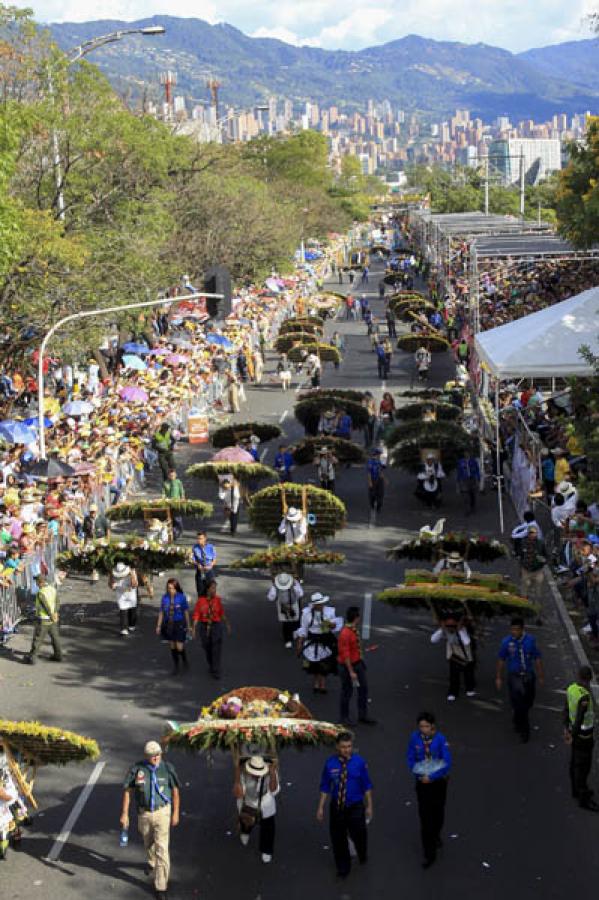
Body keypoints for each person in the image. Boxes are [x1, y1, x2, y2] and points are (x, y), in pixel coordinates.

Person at [120, 740, 180, 900]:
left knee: (162, 848)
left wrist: (175, 813)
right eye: (153, 756)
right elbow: (127, 791)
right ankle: (151, 860)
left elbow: (175, 791)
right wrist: (125, 813)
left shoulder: (167, 769)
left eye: (158, 755)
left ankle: (161, 886)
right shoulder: (137, 769)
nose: (156, 758)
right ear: (146, 756)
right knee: (148, 842)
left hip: (162, 812)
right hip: (144, 814)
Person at [317, 731, 373, 880]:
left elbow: (366, 785)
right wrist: (321, 807)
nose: (346, 750)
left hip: (355, 806)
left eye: (349, 746)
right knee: (338, 838)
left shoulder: (359, 763)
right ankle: (343, 867)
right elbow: (325, 787)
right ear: (337, 747)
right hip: (337, 806)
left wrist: (369, 806)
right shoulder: (330, 764)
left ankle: (362, 852)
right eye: (343, 747)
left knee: (359, 833)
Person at [407, 711, 452, 869]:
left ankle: (436, 834)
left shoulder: (440, 740)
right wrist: (419, 773)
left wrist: (432, 776)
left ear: (432, 726)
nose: (423, 729)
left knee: (438, 812)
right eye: (421, 726)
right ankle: (429, 853)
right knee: (425, 818)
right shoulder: (415, 738)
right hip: (422, 782)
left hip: (438, 782)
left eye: (426, 726)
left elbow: (446, 763)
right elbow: (411, 759)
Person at [496, 616, 544, 742]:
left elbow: (537, 658)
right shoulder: (506, 642)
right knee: (519, 702)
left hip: (528, 675)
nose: (514, 632)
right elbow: (501, 659)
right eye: (512, 629)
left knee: (528, 702)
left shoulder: (530, 641)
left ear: (522, 629)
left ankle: (518, 718)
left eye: (517, 629)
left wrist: (540, 676)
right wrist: (498, 677)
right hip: (514, 676)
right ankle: (525, 730)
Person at [563, 665, 598, 810]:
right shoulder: (584, 696)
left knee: (574, 764)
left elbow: (566, 710)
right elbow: (579, 719)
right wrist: (572, 734)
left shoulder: (571, 689)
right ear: (588, 679)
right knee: (583, 767)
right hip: (583, 737)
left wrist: (566, 729)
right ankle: (583, 798)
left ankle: (575, 791)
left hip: (573, 733)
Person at [295, 592, 342, 693]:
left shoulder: (329, 612)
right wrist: (299, 644)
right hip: (312, 640)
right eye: (319, 604)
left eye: (322, 603)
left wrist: (331, 625)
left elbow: (334, 627)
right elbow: (303, 629)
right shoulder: (306, 614)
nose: (321, 606)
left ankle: (323, 684)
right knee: (314, 664)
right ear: (314, 605)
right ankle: (316, 683)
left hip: (326, 640)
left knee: (325, 664)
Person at [236, 756, 280, 863]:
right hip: (249, 802)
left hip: (266, 803)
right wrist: (237, 777)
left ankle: (266, 850)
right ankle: (245, 831)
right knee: (246, 821)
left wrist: (273, 773)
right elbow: (239, 794)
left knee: (268, 828)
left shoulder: (270, 772)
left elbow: (274, 791)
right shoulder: (243, 773)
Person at [338, 606, 376, 726]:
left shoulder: (352, 629)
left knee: (363, 689)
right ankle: (344, 717)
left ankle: (362, 715)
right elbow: (345, 655)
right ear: (356, 618)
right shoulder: (345, 633)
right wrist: (351, 672)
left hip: (358, 663)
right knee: (347, 692)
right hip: (348, 666)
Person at [192, 580, 231, 679]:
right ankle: (211, 664)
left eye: (215, 588)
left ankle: (216, 669)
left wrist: (227, 624)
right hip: (204, 626)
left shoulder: (217, 600)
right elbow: (197, 615)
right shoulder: (201, 601)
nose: (214, 590)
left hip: (216, 625)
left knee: (216, 647)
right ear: (207, 589)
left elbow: (221, 612)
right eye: (213, 588)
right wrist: (193, 628)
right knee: (207, 647)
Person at [431, 615, 475, 701]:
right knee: (454, 675)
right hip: (454, 655)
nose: (450, 628)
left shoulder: (462, 630)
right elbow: (433, 640)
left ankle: (469, 688)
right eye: (448, 626)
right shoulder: (445, 630)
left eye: (453, 626)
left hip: (465, 655)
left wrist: (459, 630)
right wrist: (442, 629)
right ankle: (453, 692)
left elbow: (467, 642)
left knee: (468, 673)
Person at [155, 578, 191, 675]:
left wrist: (189, 626)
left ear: (176, 588)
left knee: (179, 647)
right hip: (168, 624)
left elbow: (186, 612)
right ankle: (176, 665)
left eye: (172, 588)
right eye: (168, 588)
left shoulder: (181, 597)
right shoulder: (164, 598)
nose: (170, 590)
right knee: (172, 645)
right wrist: (158, 626)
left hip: (179, 623)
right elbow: (161, 612)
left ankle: (184, 658)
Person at [25, 574, 62, 664]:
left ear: (39, 582)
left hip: (43, 620)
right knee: (55, 638)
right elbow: (57, 601)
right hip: (53, 619)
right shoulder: (53, 589)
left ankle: (32, 658)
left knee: (37, 639)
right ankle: (58, 656)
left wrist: (50, 614)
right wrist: (55, 613)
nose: (36, 583)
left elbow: (45, 606)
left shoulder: (41, 592)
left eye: (36, 581)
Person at [267, 571, 304, 648]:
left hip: (288, 604)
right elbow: (270, 598)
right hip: (287, 605)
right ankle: (288, 638)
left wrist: (294, 588)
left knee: (292, 621)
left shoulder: (293, 583)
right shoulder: (277, 585)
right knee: (289, 622)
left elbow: (301, 594)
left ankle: (291, 635)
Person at [516, 525, 547, 609]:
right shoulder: (523, 542)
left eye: (535, 533)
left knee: (538, 591)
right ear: (528, 534)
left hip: (537, 570)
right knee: (524, 588)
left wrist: (543, 561)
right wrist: (520, 568)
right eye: (531, 533)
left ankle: (537, 608)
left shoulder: (541, 543)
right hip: (526, 569)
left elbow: (546, 556)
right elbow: (520, 555)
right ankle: (523, 606)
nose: (533, 534)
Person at [109, 561, 139, 636]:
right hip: (120, 594)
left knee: (132, 610)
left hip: (131, 594)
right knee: (123, 610)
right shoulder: (113, 573)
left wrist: (132, 575)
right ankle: (123, 629)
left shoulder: (132, 572)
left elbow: (134, 585)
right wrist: (112, 583)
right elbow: (110, 585)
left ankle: (132, 624)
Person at [192, 531, 216, 599]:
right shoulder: (195, 548)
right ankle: (202, 608)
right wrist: (197, 564)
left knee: (211, 592)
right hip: (200, 571)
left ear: (205, 538)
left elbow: (214, 560)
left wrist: (210, 566)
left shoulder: (211, 547)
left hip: (209, 572)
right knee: (201, 592)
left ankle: (211, 607)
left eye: (200, 538)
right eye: (198, 538)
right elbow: (193, 560)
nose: (199, 540)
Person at [162, 470, 185, 540]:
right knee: (170, 518)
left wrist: (183, 498)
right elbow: (163, 493)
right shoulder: (165, 483)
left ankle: (180, 531)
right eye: (170, 475)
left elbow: (181, 491)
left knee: (177, 518)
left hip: (177, 503)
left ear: (176, 475)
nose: (172, 477)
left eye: (173, 475)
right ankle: (173, 533)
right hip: (169, 503)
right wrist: (163, 499)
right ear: (168, 476)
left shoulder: (178, 482)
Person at [367, 447, 386, 523]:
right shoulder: (370, 462)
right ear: (376, 454)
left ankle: (378, 507)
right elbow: (369, 473)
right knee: (372, 494)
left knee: (381, 494)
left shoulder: (380, 461)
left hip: (380, 480)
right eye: (379, 454)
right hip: (373, 479)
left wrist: (384, 479)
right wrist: (370, 482)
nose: (380, 455)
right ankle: (372, 505)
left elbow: (381, 470)